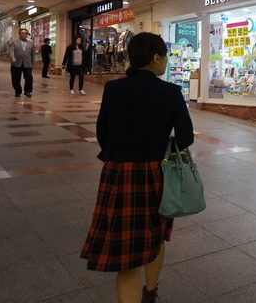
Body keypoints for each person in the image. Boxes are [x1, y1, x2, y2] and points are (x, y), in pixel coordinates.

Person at [80, 32, 194, 303]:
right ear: (156, 58)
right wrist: (162, 148)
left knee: (126, 248)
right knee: (154, 237)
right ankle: (150, 292)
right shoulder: (170, 92)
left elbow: (102, 133)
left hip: (118, 174)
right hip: (155, 172)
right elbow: (186, 136)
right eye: (165, 56)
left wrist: (118, 153)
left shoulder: (113, 89)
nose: (166, 61)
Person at [8, 28, 34, 97]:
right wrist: (12, 57)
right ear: (19, 34)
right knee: (16, 78)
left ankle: (28, 91)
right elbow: (11, 50)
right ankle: (18, 91)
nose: (24, 35)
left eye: (25, 33)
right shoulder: (14, 42)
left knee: (29, 78)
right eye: (22, 33)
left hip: (27, 63)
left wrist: (32, 63)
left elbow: (32, 54)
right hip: (16, 63)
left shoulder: (31, 43)